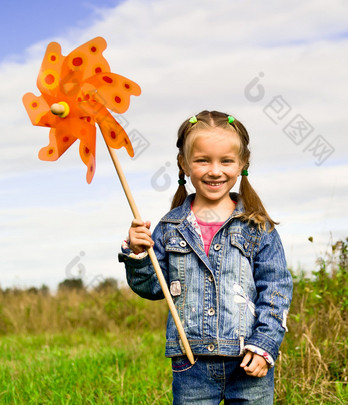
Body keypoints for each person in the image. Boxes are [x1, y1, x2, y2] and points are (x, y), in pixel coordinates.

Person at [119, 110, 293, 404]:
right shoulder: (170, 227)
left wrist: (264, 344)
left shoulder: (256, 226)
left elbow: (276, 289)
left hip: (249, 359)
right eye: (203, 160)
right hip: (192, 362)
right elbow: (152, 288)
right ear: (184, 164)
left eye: (226, 161)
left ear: (242, 164)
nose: (215, 170)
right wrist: (138, 254)